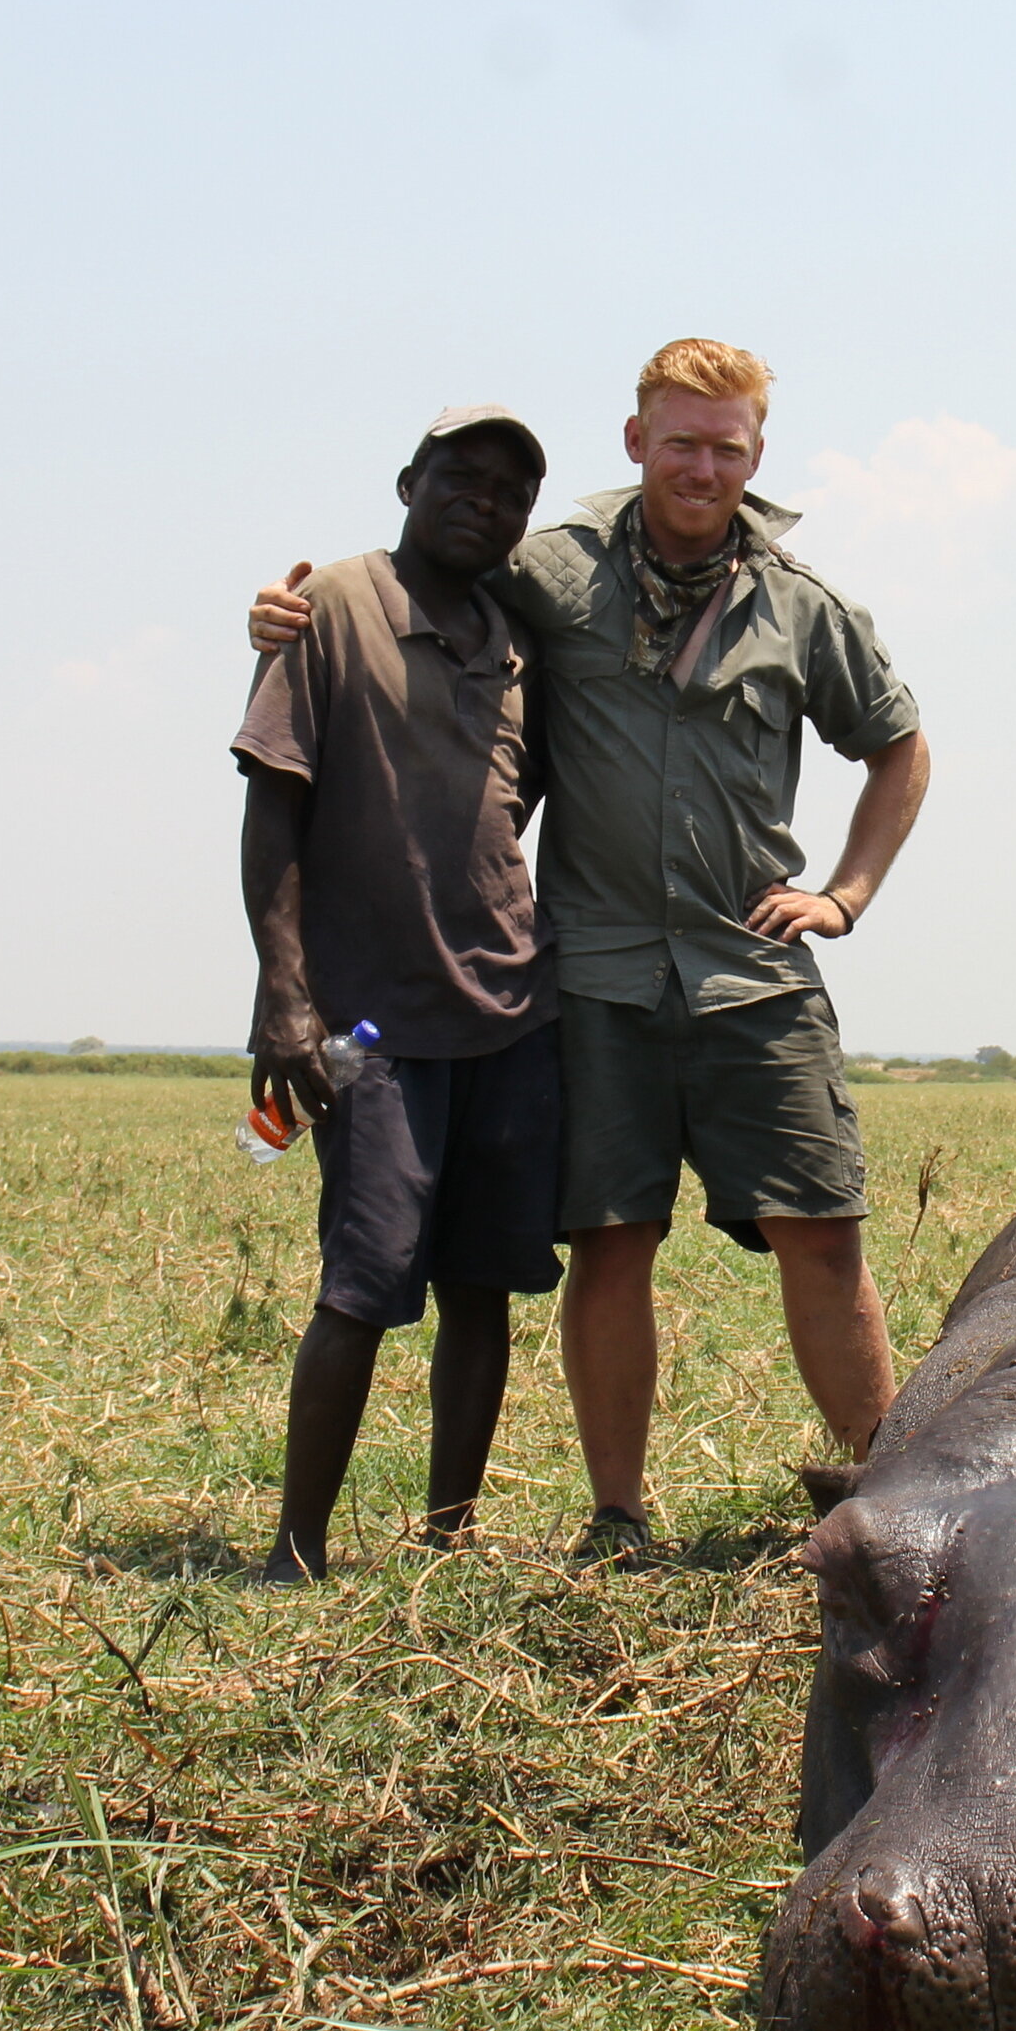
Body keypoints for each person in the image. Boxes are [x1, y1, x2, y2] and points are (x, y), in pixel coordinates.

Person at [254, 340, 931, 1559]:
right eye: (681, 440)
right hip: (594, 972)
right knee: (612, 1240)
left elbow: (899, 744)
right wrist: (291, 612)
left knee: (822, 1231)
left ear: (757, 455)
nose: (703, 466)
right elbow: (432, 557)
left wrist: (846, 893)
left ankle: (897, 1501)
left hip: (753, 970)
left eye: (728, 446)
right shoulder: (550, 571)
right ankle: (618, 1515)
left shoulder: (804, 606)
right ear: (636, 444)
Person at [231, 407, 560, 1581]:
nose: (486, 500)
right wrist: (287, 1000)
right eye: (461, 477)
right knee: (363, 1284)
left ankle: (449, 1544)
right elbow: (273, 808)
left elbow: (516, 811)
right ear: (409, 482)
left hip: (513, 1015)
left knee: (484, 1288)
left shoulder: (521, 637)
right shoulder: (330, 610)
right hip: (367, 1025)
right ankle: (294, 1549)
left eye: (512, 491)